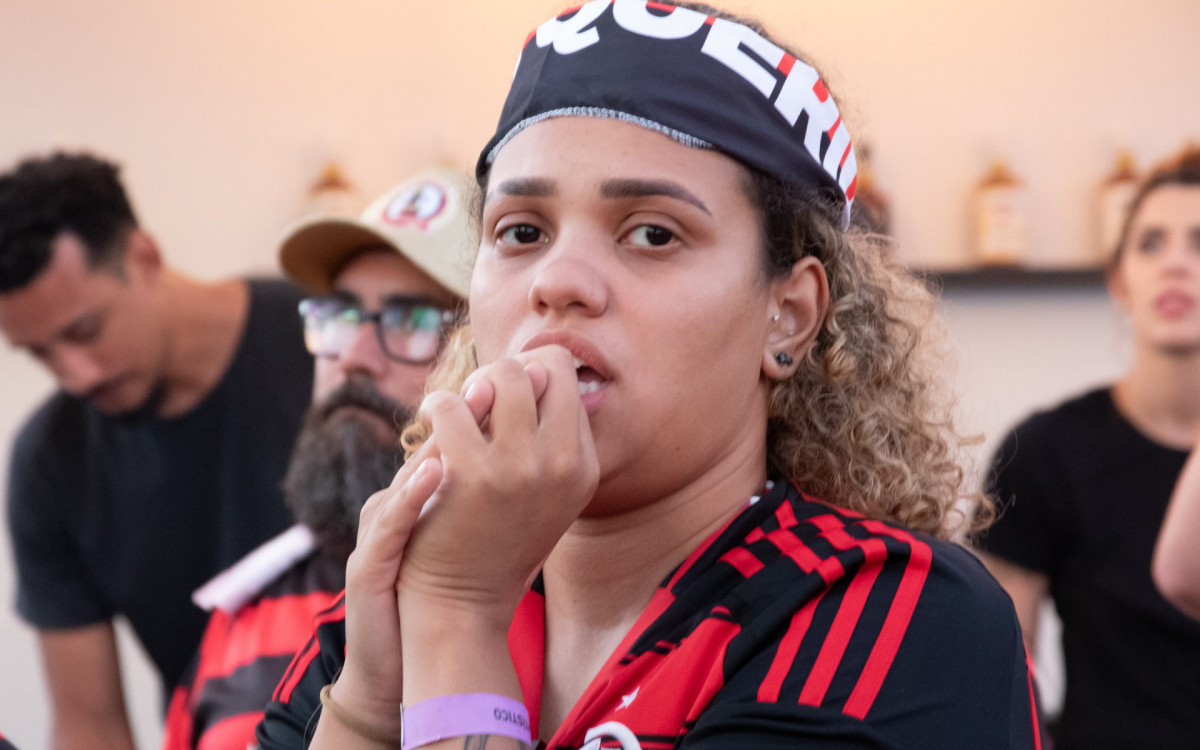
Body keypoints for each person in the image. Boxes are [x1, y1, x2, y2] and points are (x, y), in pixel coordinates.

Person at [258, 2, 1040, 748]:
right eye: (521, 230)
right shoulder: (377, 625)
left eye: (653, 234)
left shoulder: (899, 618)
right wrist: (366, 700)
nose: (558, 281)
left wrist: (460, 617)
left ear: (790, 315)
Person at [0, 152, 312, 750]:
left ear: (143, 257)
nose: (75, 374)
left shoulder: (331, 343)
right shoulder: (47, 462)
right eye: (40, 354)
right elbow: (89, 725)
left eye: (84, 331)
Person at [160, 167, 473, 750]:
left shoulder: (547, 600)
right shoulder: (240, 614)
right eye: (343, 314)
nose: (353, 357)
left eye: (413, 322)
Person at [978, 146, 1200, 750]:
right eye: (1151, 244)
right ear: (1119, 280)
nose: (1175, 265)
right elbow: (997, 669)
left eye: (1198, 242)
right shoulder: (1048, 450)